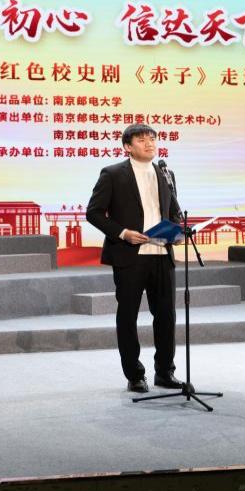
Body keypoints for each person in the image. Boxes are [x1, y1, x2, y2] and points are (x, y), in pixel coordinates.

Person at [85, 123, 186, 393]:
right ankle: (134, 374)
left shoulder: (166, 173)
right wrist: (123, 233)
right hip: (130, 255)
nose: (149, 143)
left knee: (166, 316)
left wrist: (177, 232)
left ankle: (165, 372)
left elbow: (173, 212)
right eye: (142, 140)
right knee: (128, 316)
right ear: (127, 147)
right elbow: (93, 213)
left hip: (161, 253)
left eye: (152, 139)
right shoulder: (112, 174)